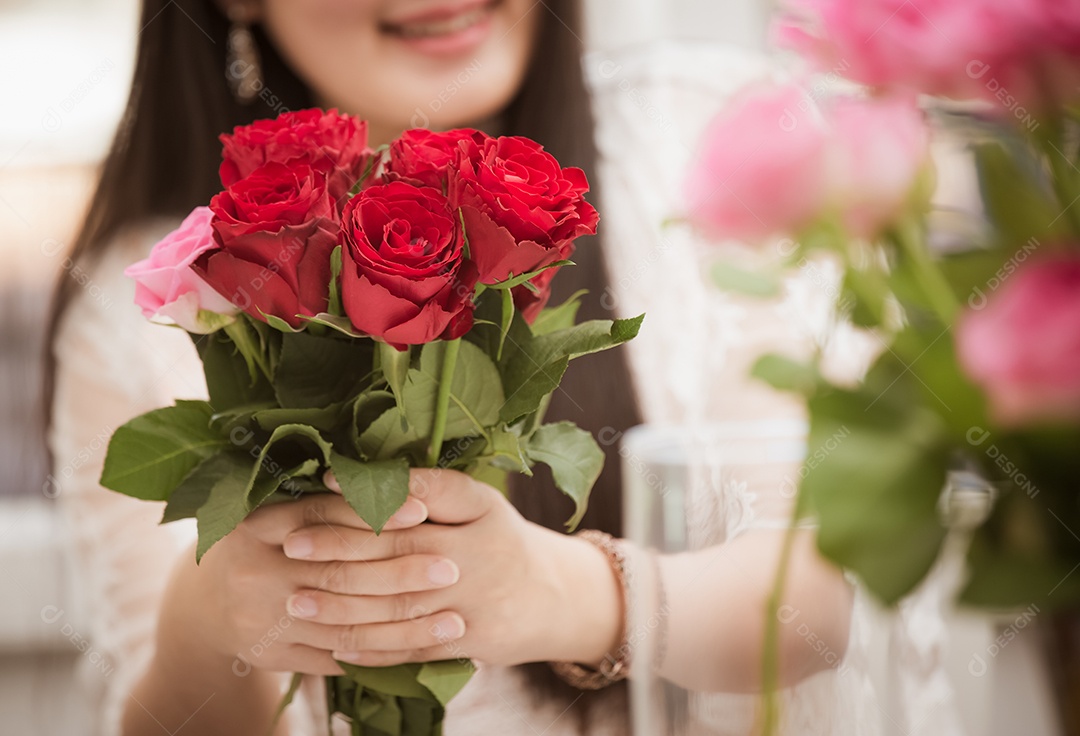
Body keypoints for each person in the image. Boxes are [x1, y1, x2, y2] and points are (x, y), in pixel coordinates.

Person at [45, 1, 863, 734]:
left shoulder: (696, 138)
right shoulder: (154, 301)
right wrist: (205, 622)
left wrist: (565, 594)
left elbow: (815, 603)